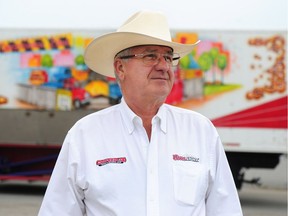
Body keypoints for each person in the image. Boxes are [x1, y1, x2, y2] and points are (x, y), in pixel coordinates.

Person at [38, 10, 243, 216]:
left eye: (168, 57)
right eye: (150, 56)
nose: (163, 66)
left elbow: (226, 210)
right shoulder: (85, 134)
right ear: (120, 68)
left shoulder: (201, 130)